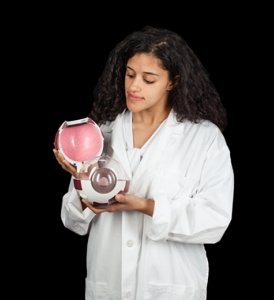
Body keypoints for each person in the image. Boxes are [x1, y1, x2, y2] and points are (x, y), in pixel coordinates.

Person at [53, 26, 234, 299]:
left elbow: (215, 220)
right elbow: (72, 220)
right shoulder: (100, 134)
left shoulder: (203, 138)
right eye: (129, 74)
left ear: (173, 81)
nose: (134, 86)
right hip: (108, 284)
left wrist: (146, 207)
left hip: (171, 288)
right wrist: (82, 183)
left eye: (148, 79)